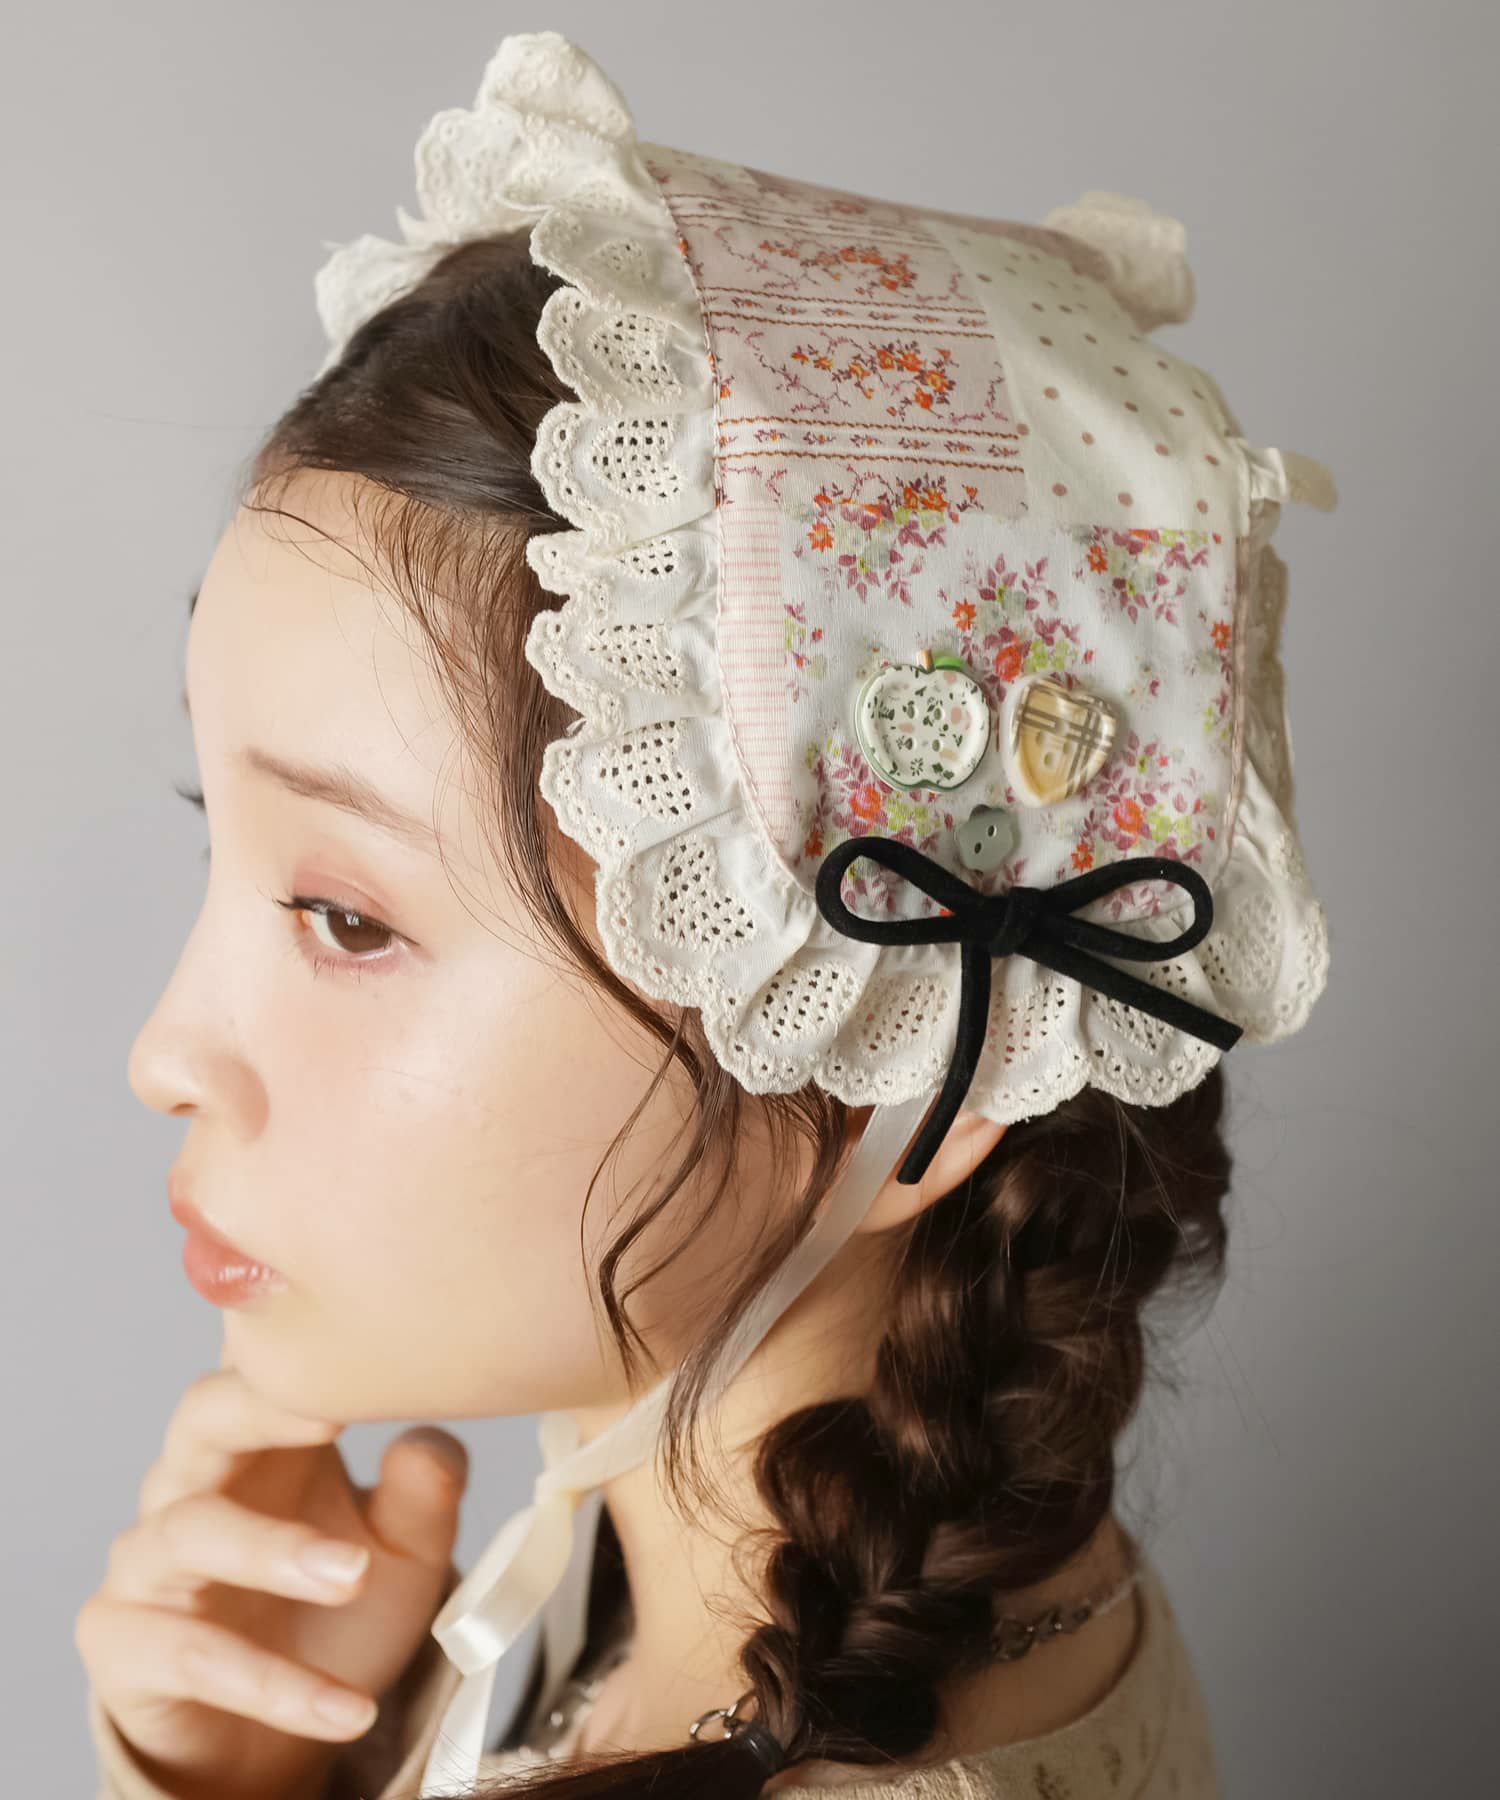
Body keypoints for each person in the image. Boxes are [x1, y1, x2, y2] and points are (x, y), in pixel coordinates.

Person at [76, 28, 1337, 1800]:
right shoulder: (947, 1607)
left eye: (346, 918)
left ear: (909, 1070)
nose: (166, 1053)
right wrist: (280, 1772)